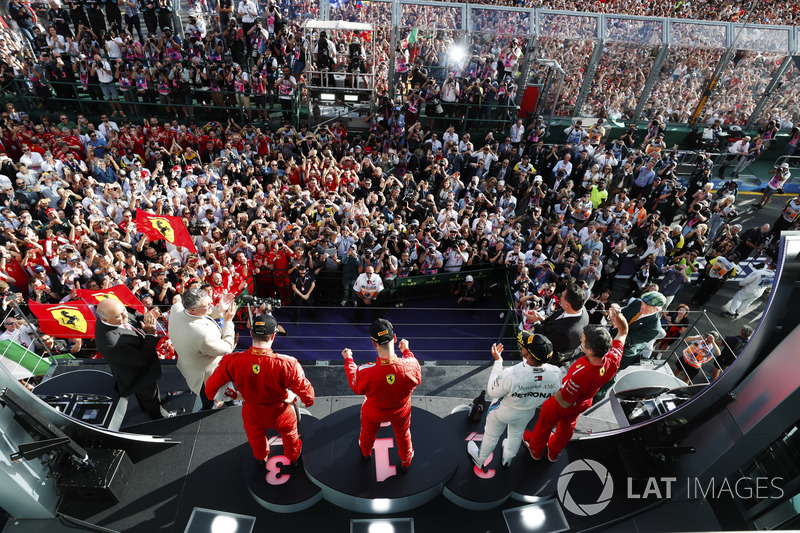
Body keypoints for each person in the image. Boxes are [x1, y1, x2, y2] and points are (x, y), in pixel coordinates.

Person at [205, 315, 315, 467]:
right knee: (290, 436)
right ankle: (293, 457)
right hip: (281, 412)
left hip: (251, 412)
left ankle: (261, 457)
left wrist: (235, 395)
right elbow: (309, 398)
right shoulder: (288, 364)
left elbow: (210, 391)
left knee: (255, 438)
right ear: (273, 335)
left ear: (251, 334)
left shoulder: (231, 361)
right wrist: (293, 398)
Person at [522, 305, 628, 462]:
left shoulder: (580, 373)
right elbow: (623, 331)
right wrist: (618, 316)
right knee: (567, 427)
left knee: (545, 422)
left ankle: (536, 449)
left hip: (564, 402)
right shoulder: (613, 361)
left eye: (583, 341)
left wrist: (548, 392)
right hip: (584, 402)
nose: (580, 340)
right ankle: (553, 452)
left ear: (590, 350)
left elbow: (564, 400)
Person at [466, 331, 561, 470]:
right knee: (515, 436)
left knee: (491, 435)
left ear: (528, 355)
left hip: (502, 412)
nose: (522, 344)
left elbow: (493, 392)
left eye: (525, 345)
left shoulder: (511, 374)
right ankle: (507, 459)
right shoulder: (556, 373)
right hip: (527, 413)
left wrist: (498, 362)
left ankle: (479, 459)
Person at [342, 319, 421, 472]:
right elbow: (416, 376)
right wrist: (406, 351)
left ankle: (365, 453)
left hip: (373, 412)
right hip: (401, 411)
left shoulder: (364, 371)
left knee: (367, 433)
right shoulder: (412, 365)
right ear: (395, 338)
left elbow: (355, 385)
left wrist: (348, 360)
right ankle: (406, 460)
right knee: (403, 434)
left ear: (373, 343)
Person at [95, 298, 178, 419]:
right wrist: (150, 334)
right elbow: (142, 359)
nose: (125, 316)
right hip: (138, 375)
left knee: (151, 395)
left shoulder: (116, 312)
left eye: (123, 310)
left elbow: (133, 314)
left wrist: (146, 317)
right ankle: (161, 416)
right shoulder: (111, 343)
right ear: (104, 319)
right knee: (149, 397)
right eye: (119, 316)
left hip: (139, 367)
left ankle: (155, 401)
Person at [168, 287, 237, 411]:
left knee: (207, 400)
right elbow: (227, 348)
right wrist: (228, 321)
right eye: (207, 305)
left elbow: (203, 315)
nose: (212, 305)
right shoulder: (203, 336)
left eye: (210, 302)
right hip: (210, 376)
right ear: (193, 310)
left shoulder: (177, 308)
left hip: (192, 369)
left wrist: (219, 309)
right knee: (229, 399)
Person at [522, 283, 589, 364]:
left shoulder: (567, 332)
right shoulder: (578, 306)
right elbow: (558, 314)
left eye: (563, 296)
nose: (560, 297)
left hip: (550, 358)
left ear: (567, 304)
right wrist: (543, 318)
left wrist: (536, 322)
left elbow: (544, 342)